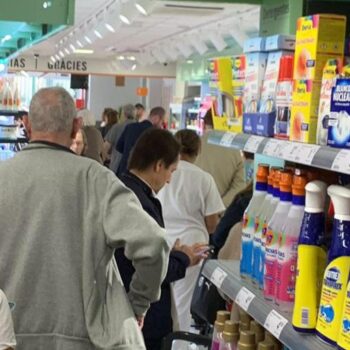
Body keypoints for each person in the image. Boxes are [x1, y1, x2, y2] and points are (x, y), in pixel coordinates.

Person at [0, 87, 170, 350]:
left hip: (10, 335)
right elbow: (154, 243)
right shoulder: (97, 180)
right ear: (76, 127)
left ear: (28, 125)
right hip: (87, 338)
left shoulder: (3, 177)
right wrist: (138, 303)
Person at [115, 128, 207, 350]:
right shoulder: (137, 202)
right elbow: (152, 268)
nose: (169, 181)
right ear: (158, 165)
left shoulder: (123, 189)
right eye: (171, 171)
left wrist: (172, 253)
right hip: (142, 320)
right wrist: (183, 258)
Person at [158, 129, 225, 332]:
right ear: (199, 150)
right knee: (184, 305)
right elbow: (212, 224)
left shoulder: (164, 172)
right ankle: (180, 343)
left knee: (162, 301)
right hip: (194, 245)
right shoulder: (204, 179)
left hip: (162, 240)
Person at [195, 109, 246, 207]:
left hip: (190, 211)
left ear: (204, 124)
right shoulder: (234, 150)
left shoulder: (193, 145)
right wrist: (218, 207)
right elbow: (239, 187)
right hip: (218, 214)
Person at [116, 106, 166, 177]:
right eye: (162, 121)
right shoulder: (156, 133)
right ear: (156, 118)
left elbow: (119, 147)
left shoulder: (130, 127)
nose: (162, 125)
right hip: (142, 174)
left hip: (123, 171)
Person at [104, 104, 136, 173]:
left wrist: (108, 157)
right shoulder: (139, 128)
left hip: (116, 166)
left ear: (123, 114)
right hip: (134, 169)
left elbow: (105, 147)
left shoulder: (117, 127)